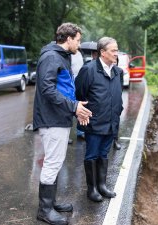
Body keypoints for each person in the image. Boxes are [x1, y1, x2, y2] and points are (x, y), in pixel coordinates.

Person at [33, 22, 92, 225]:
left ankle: (52, 203)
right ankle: (44, 210)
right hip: (51, 119)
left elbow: (65, 89)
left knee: (56, 162)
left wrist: (76, 109)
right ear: (68, 39)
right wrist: (74, 107)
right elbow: (47, 90)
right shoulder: (51, 57)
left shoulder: (61, 57)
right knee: (52, 162)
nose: (79, 43)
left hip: (60, 117)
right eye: (78, 39)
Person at [75, 37, 123, 202]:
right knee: (92, 155)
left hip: (111, 122)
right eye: (113, 50)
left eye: (117, 50)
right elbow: (80, 94)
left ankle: (102, 185)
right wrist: (88, 113)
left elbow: (118, 96)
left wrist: (117, 112)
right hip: (94, 122)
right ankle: (92, 189)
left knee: (104, 154)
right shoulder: (88, 70)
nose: (116, 53)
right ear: (102, 52)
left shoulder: (118, 72)